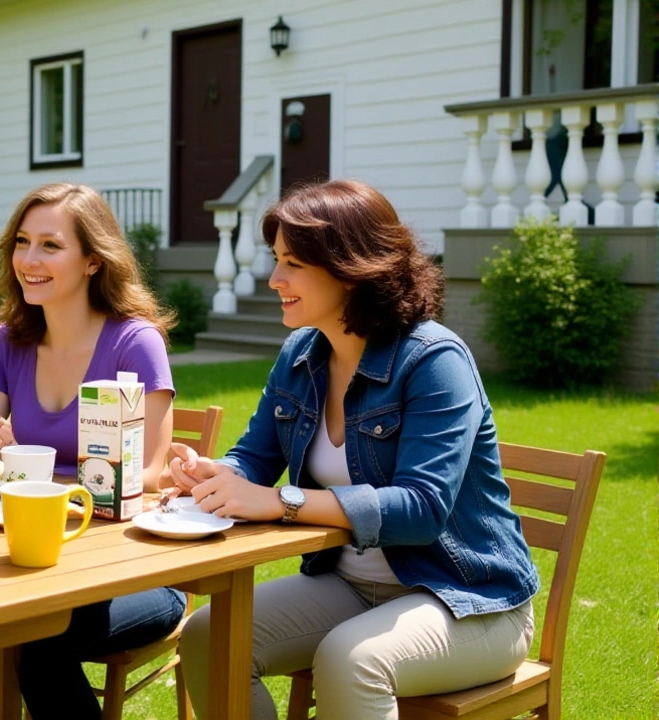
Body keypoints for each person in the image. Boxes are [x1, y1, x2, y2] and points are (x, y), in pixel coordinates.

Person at [172, 180, 538, 719]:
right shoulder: (301, 353)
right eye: (277, 260)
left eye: (292, 264)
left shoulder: (435, 360)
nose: (275, 279)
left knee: (351, 660)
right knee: (209, 635)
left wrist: (281, 502)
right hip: (348, 586)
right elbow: (255, 455)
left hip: (470, 601)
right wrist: (216, 474)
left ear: (350, 268)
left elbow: (422, 508)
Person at [0, 183, 186, 719]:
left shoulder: (134, 343)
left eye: (51, 246)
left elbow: (151, 474)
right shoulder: (8, 341)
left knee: (27, 634)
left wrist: (38, 486)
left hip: (134, 573)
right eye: (22, 242)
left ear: (93, 261)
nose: (29, 260)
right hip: (36, 558)